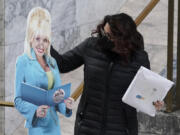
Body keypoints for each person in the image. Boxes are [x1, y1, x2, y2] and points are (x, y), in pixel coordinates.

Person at [50, 13, 163, 135]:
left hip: (122, 129)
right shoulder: (91, 46)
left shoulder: (139, 58)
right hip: (87, 127)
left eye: (108, 36)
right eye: (103, 33)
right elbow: (62, 64)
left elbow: (146, 93)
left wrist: (155, 102)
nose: (103, 38)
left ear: (122, 39)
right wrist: (45, 45)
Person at [14, 7, 74, 135]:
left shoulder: (52, 62)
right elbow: (18, 100)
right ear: (30, 38)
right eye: (37, 39)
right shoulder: (23, 62)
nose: (41, 45)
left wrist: (67, 106)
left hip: (54, 126)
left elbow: (58, 97)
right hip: (37, 126)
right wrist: (35, 110)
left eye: (45, 40)